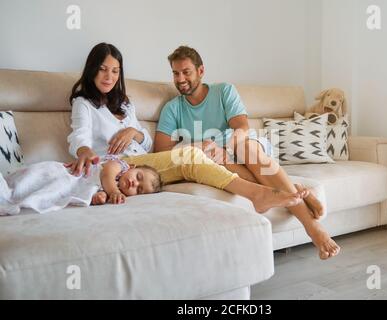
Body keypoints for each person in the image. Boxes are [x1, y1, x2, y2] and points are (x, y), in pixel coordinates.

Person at [65, 43, 308, 214]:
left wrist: (135, 132)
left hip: (146, 160)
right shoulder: (83, 103)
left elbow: (148, 146)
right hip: (124, 164)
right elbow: (79, 137)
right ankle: (273, 194)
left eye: (115, 71)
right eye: (103, 69)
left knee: (231, 152)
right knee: (193, 155)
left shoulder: (126, 104)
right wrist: (84, 151)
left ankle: (280, 195)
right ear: (92, 69)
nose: (109, 76)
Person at [154, 45, 340, 260]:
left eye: (186, 72)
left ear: (201, 71)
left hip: (243, 146)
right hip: (212, 157)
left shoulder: (223, 91)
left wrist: (227, 146)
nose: (180, 79)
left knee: (244, 147)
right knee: (213, 161)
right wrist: (202, 148)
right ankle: (293, 188)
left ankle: (312, 227)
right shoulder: (173, 108)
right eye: (175, 73)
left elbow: (241, 127)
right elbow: (161, 151)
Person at [0, 156, 161, 215]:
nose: (134, 183)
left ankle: (12, 199)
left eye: (139, 189)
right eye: (138, 177)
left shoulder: (117, 192)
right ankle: (9, 192)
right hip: (66, 173)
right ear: (132, 167)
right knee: (34, 179)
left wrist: (99, 197)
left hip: (74, 186)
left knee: (49, 193)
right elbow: (106, 175)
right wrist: (112, 192)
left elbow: (94, 190)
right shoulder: (120, 165)